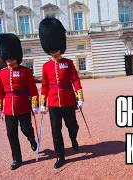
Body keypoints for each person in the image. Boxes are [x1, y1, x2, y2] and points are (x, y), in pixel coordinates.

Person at [38, 17, 84, 169]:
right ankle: (60, 155)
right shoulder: (45, 66)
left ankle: (73, 137)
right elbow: (44, 85)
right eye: (51, 49)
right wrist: (42, 103)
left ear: (60, 46)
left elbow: (75, 81)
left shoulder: (68, 63)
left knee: (72, 125)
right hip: (52, 102)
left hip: (68, 100)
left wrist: (80, 96)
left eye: (55, 48)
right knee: (55, 130)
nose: (54, 52)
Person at [0, 33, 39, 170]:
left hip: (23, 106)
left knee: (26, 129)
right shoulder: (1, 73)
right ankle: (16, 158)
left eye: (11, 57)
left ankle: (32, 139)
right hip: (8, 108)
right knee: (11, 134)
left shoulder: (25, 71)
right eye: (7, 57)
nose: (9, 60)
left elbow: (32, 90)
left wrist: (34, 104)